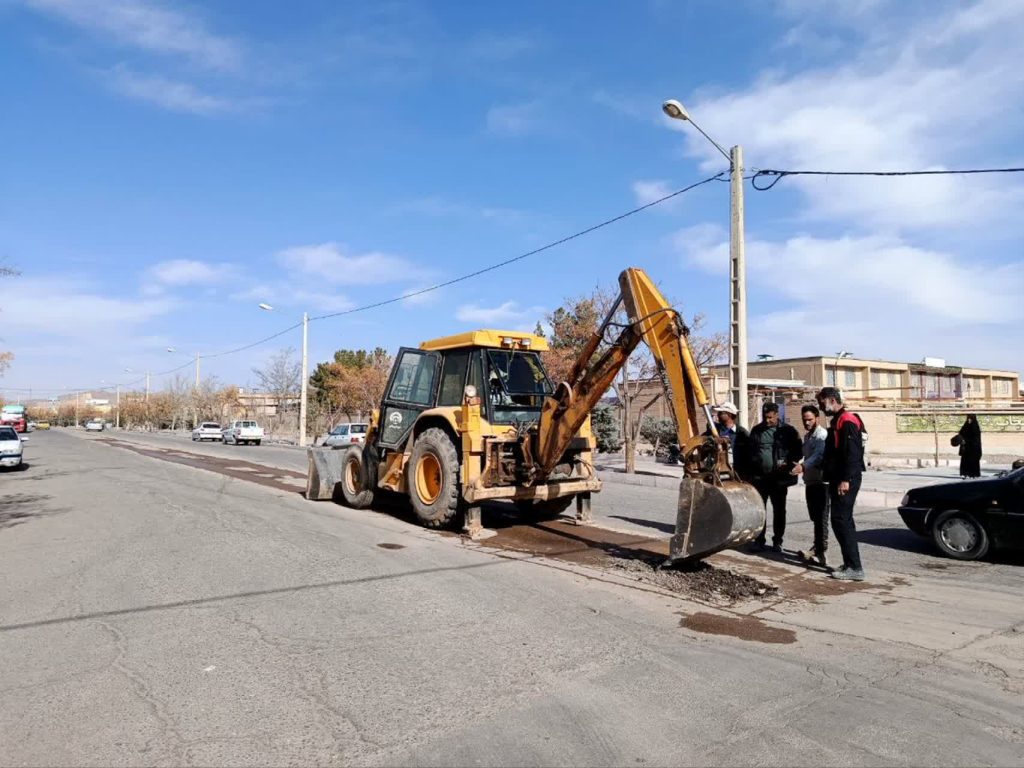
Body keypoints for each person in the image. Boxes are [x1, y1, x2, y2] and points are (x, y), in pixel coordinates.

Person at [817, 386, 866, 581]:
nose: (821, 406)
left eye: (822, 402)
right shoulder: (838, 420)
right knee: (842, 520)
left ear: (831, 400)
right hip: (840, 477)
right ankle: (849, 563)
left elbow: (853, 453)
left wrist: (845, 479)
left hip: (847, 479)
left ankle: (855, 567)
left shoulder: (847, 420)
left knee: (841, 520)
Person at [747, 402, 802, 552]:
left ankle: (778, 541)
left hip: (779, 479)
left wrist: (788, 462)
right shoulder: (757, 430)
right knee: (760, 510)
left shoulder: (788, 431)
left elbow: (798, 451)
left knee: (779, 510)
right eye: (765, 417)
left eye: (770, 417)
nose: (767, 420)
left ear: (777, 415)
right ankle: (759, 540)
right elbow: (750, 452)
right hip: (760, 479)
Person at [792, 404, 829, 567]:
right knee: (815, 517)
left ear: (817, 419)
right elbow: (803, 454)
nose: (806, 423)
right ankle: (817, 547)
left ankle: (821, 551)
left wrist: (803, 466)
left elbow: (819, 456)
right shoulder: (808, 437)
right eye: (804, 420)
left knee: (821, 518)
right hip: (810, 481)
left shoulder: (822, 435)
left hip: (821, 482)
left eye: (810, 420)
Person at [704, 401, 752, 479]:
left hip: (738, 473)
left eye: (721, 413)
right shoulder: (715, 430)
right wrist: (712, 440)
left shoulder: (742, 433)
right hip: (716, 472)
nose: (718, 415)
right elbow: (703, 440)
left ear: (729, 415)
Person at [958, 414, 983, 478]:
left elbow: (976, 438)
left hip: (973, 448)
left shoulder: (975, 427)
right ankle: (965, 473)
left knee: (973, 461)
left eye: (970, 418)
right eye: (968, 418)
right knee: (965, 461)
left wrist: (967, 440)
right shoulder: (965, 426)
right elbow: (961, 433)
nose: (969, 420)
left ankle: (974, 474)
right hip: (966, 448)